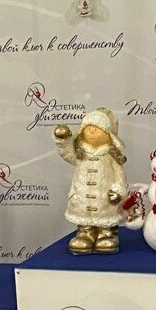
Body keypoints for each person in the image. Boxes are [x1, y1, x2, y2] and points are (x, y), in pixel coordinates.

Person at [54, 108, 128, 254]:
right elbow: (66, 152)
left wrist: (118, 191)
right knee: (84, 217)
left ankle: (107, 233)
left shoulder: (111, 155)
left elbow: (119, 176)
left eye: (97, 128)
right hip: (82, 196)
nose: (92, 131)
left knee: (106, 216)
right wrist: (63, 141)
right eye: (88, 128)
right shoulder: (79, 153)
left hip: (104, 198)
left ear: (108, 134)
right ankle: (85, 234)